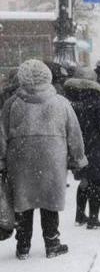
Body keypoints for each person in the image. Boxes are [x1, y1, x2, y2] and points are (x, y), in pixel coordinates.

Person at [0, 59, 87, 259]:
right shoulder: (61, 103)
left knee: (23, 202)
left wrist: (2, 161)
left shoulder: (12, 104)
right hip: (52, 160)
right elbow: (75, 133)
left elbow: (1, 135)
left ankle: (23, 246)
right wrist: (78, 159)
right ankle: (52, 243)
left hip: (20, 160)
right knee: (50, 202)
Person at [64, 67, 100, 229]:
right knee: (95, 181)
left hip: (76, 146)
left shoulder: (68, 100)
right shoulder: (96, 100)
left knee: (83, 181)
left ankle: (80, 215)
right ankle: (93, 218)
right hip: (96, 147)